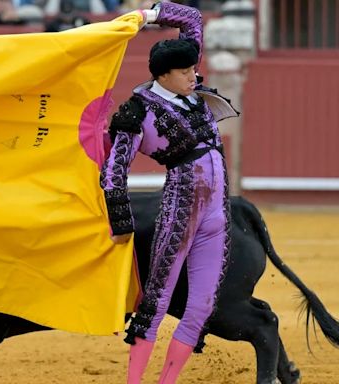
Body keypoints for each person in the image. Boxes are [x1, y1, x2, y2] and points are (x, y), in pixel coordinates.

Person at [100, 2, 237, 383]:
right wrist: (121, 220)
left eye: (194, 68)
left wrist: (149, 14)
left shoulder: (191, 89)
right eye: (185, 71)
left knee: (202, 307)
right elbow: (114, 170)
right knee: (155, 305)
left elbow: (192, 18)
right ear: (163, 75)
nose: (194, 75)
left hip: (216, 215)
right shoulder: (137, 111)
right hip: (179, 214)